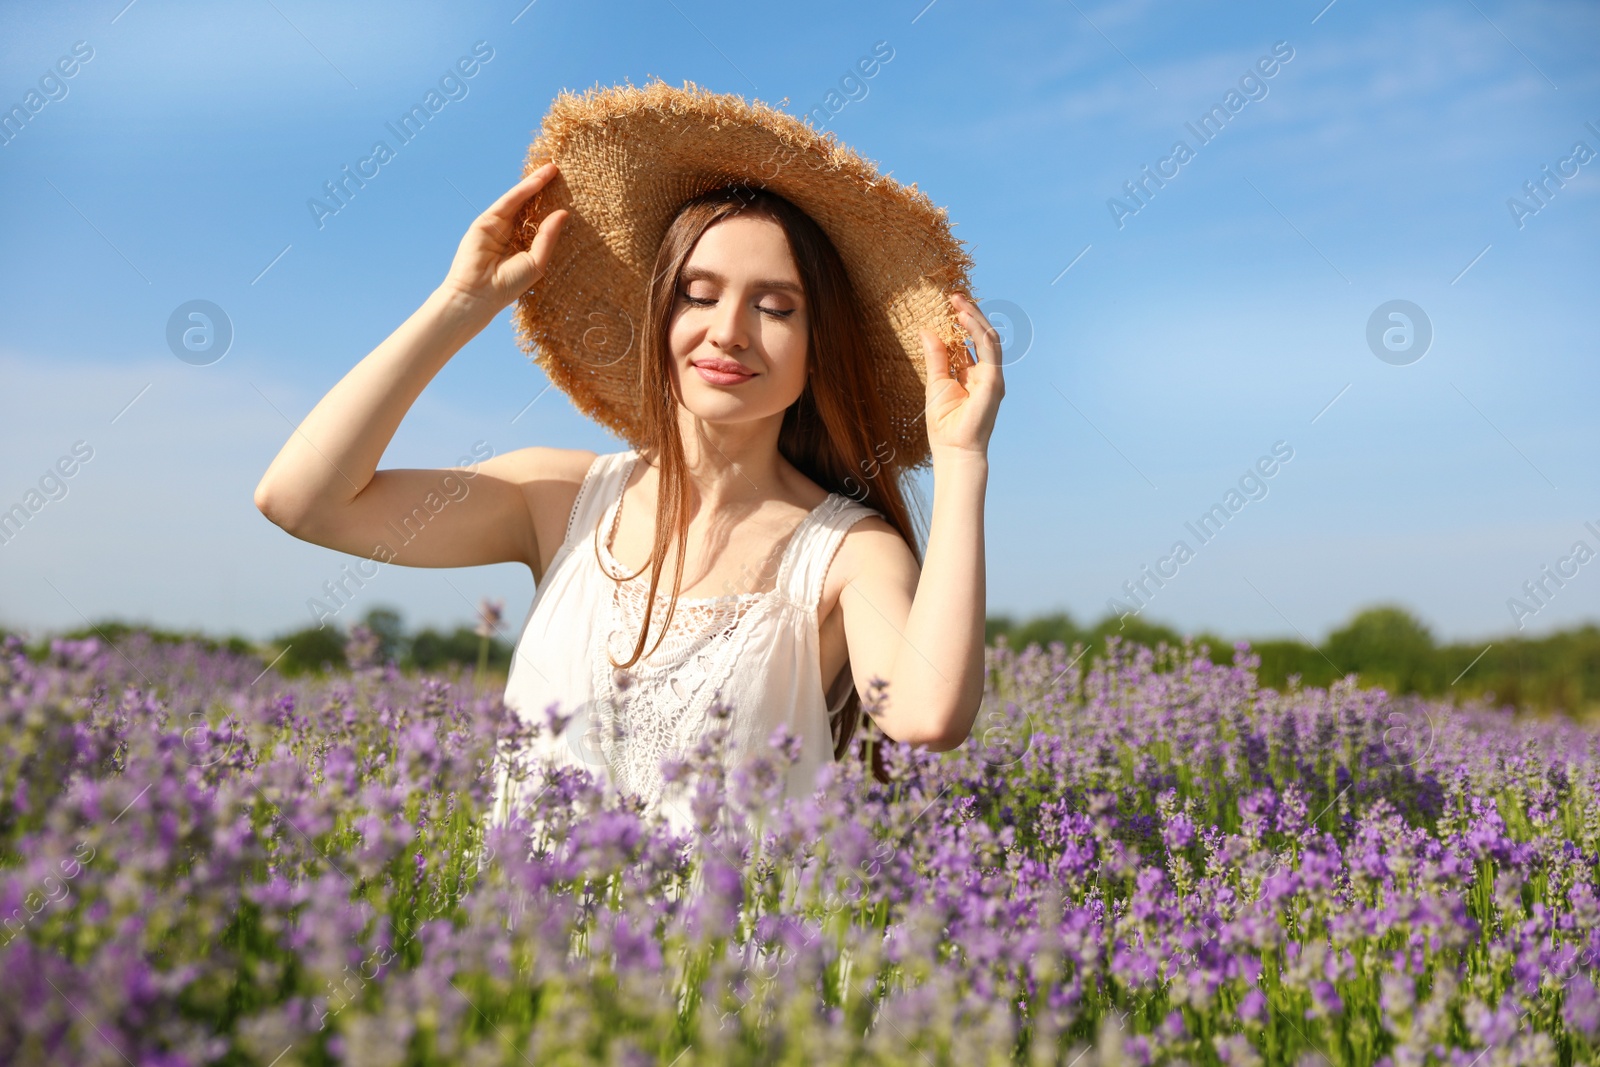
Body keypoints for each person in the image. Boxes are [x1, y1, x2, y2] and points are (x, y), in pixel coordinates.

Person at [253, 80, 1004, 841]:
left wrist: (963, 457)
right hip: (510, 954)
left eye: (776, 307)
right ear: (657, 318)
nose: (729, 331)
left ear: (819, 350)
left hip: (719, 959)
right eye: (697, 295)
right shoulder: (560, 498)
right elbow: (303, 499)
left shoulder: (847, 554)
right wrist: (457, 305)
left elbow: (927, 715)